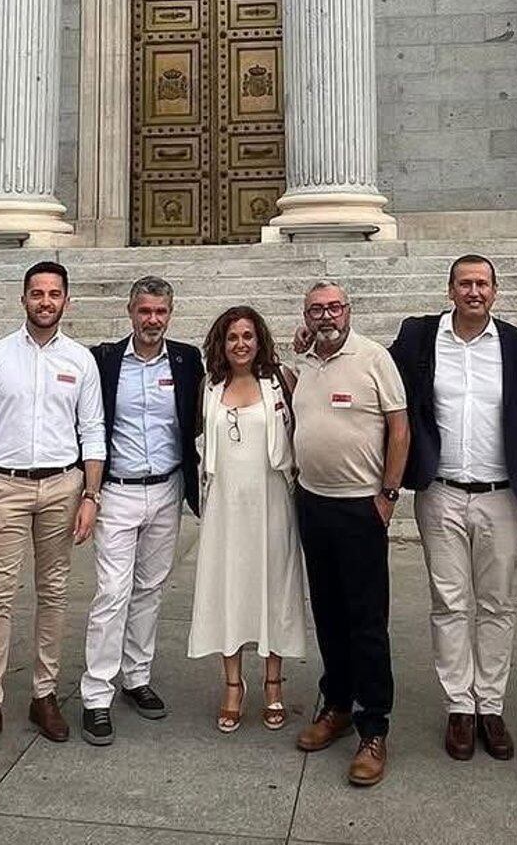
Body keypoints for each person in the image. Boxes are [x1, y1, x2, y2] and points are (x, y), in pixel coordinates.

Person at [388, 253, 517, 762]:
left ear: (495, 291)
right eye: (464, 283)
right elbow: (376, 371)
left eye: (482, 284)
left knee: (497, 603)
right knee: (450, 602)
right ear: (450, 289)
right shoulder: (419, 337)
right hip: (442, 492)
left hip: (503, 495)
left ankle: (491, 706)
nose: (473, 292)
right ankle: (460, 704)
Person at [0, 260, 105, 758]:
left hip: (63, 488)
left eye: (54, 294)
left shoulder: (81, 361)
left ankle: (44, 695)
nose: (45, 302)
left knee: (54, 593)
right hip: (7, 490)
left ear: (66, 301)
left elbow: (94, 432)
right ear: (23, 299)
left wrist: (91, 496)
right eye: (36, 293)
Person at [290, 280, 409, 787]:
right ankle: (336, 705)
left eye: (334, 307)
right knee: (328, 613)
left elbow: (399, 428)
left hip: (361, 506)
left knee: (366, 620)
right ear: (306, 316)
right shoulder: (306, 362)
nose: (326, 316)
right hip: (312, 503)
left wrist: (388, 494)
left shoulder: (374, 357)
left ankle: (373, 726)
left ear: (350, 310)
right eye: (317, 309)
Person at [77, 275, 203, 746]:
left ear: (171, 314)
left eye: (161, 312)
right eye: (145, 311)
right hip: (118, 491)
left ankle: (136, 676)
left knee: (150, 588)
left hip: (167, 488)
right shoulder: (105, 361)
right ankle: (96, 695)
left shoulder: (186, 360)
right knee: (112, 591)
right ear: (131, 312)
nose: (153, 320)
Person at [186, 304, 306, 732]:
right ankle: (233, 685)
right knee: (229, 590)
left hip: (271, 500)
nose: (241, 344)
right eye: (233, 337)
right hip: (226, 504)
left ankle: (274, 684)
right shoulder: (209, 387)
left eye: (248, 337)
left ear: (260, 341)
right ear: (222, 343)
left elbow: (308, 420)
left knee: (274, 588)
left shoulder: (280, 381)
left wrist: (305, 350)